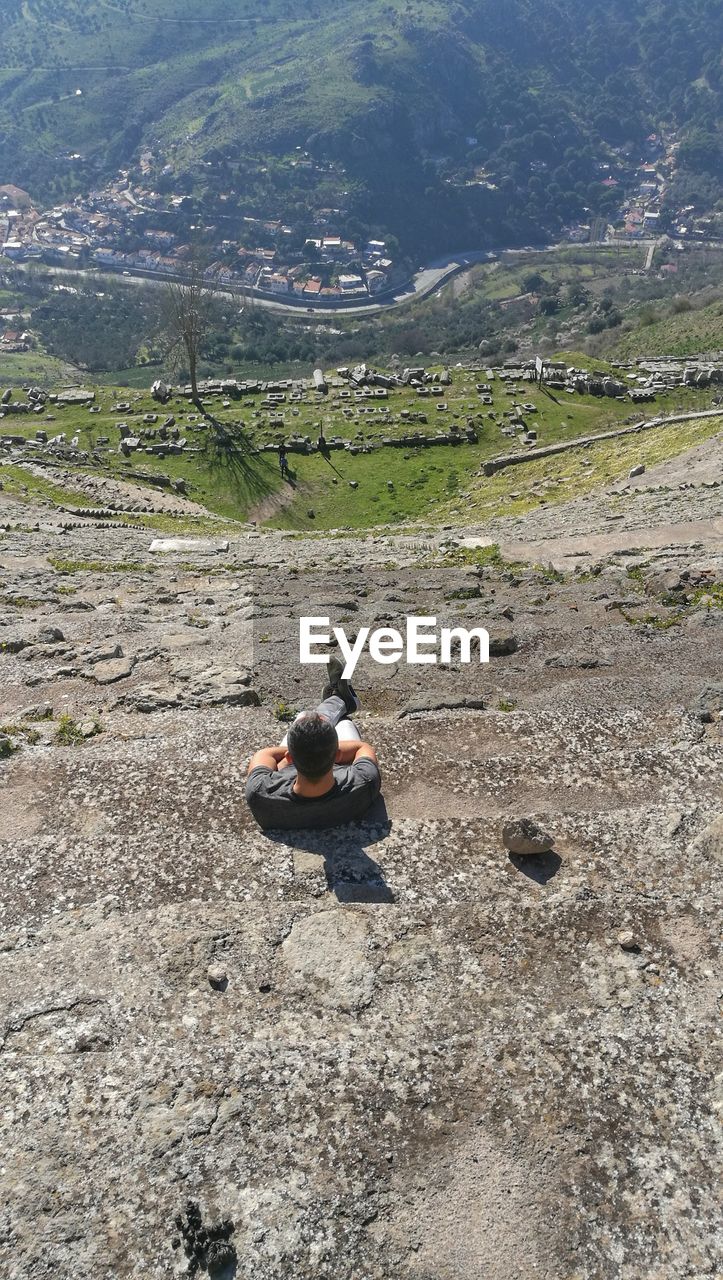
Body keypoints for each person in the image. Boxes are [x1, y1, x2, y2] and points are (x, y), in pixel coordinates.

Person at [245, 659, 381, 830]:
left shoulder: (259, 793)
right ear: (338, 754)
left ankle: (338, 700)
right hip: (326, 766)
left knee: (303, 718)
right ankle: (340, 701)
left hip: (293, 766)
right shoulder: (363, 782)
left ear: (290, 756)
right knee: (344, 722)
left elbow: (263, 754)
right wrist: (323, 747)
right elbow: (363, 748)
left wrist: (297, 752)